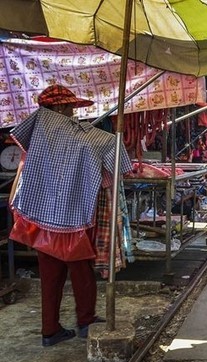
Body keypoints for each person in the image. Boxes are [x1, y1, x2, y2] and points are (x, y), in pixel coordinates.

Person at [9, 84, 132, 346]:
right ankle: (86, 321)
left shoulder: (37, 133)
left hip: (39, 218)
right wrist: (113, 139)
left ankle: (49, 330)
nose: (73, 113)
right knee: (81, 272)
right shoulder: (82, 136)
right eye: (70, 108)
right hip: (73, 218)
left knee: (50, 276)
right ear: (60, 107)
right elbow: (115, 159)